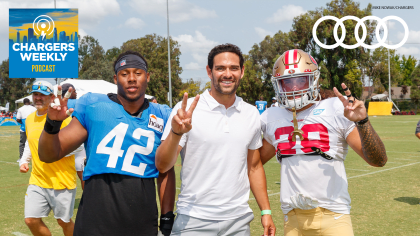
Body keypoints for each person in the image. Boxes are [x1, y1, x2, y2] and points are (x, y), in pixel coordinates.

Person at [38, 51, 176, 236]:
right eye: (125, 74)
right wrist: (52, 124)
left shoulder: (163, 114)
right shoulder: (94, 105)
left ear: (147, 77)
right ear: (115, 78)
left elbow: (166, 170)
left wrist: (166, 218)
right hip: (95, 221)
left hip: (142, 222)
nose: (132, 79)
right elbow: (48, 154)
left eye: (138, 73)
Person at [258, 49, 388, 236]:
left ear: (313, 80)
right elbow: (253, 165)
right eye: (287, 82)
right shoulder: (271, 116)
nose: (294, 88)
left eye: (300, 80)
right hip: (292, 219)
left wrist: (362, 121)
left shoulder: (335, 108)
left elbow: (378, 160)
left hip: (334, 217)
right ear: (277, 85)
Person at [156, 44, 276, 236]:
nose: (227, 74)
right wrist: (176, 133)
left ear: (242, 72)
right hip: (193, 221)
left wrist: (266, 211)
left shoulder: (251, 113)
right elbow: (162, 165)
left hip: (238, 221)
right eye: (220, 68)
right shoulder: (186, 110)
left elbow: (254, 167)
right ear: (209, 71)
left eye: (233, 68)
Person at [19, 81, 78, 236]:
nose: (38, 98)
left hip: (61, 180)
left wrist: (53, 151)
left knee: (63, 222)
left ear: (52, 97)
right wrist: (24, 160)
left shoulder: (63, 117)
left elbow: (77, 147)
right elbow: (29, 142)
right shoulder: (30, 119)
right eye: (35, 94)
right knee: (31, 220)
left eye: (42, 95)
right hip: (37, 180)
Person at [61, 83, 86, 189]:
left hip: (62, 141)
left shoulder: (56, 103)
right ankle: (86, 199)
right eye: (75, 91)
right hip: (78, 142)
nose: (76, 94)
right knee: (83, 174)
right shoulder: (78, 102)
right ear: (69, 92)